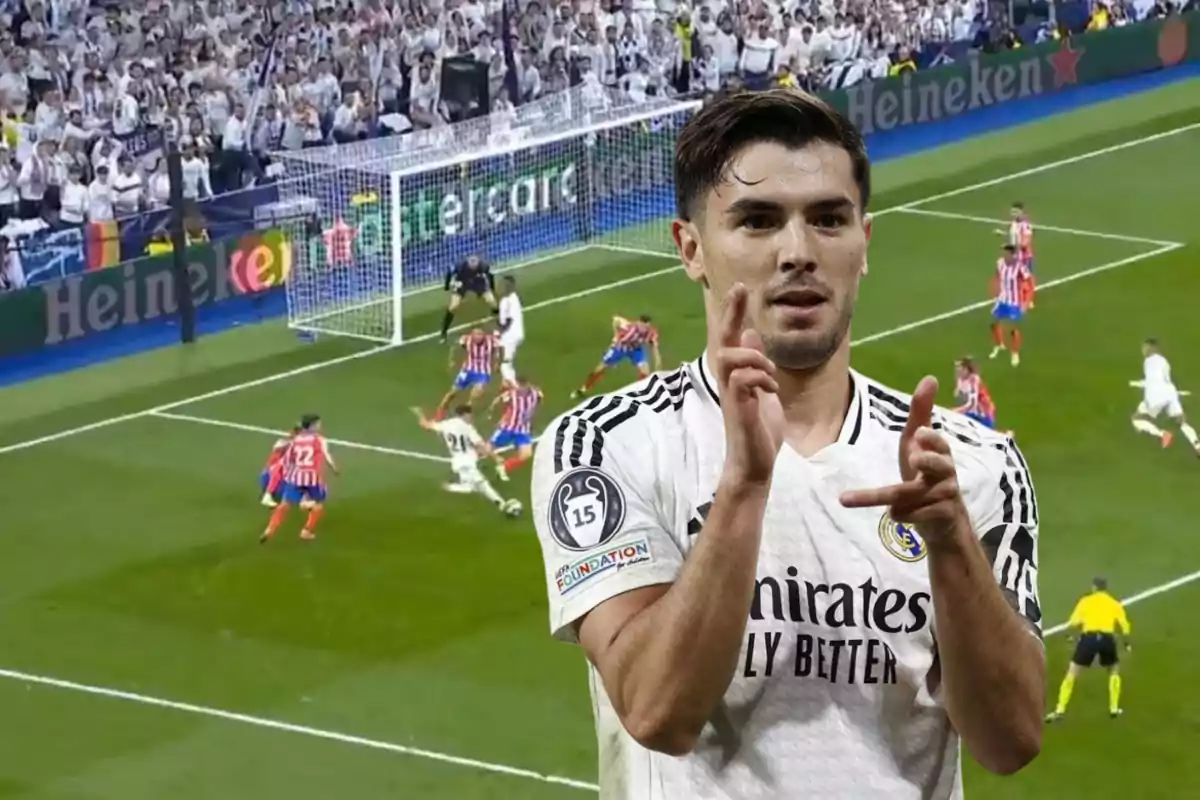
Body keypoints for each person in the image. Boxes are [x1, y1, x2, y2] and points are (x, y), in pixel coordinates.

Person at [531, 89, 1044, 799]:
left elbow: (1012, 740)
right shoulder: (607, 446)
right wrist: (744, 485)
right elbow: (658, 710)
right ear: (691, 249)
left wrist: (952, 543)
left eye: (828, 219)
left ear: (864, 243)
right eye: (758, 221)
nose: (797, 252)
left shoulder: (972, 466)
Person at [1046, 577, 1131, 722]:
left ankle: (1060, 709)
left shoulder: (1085, 601)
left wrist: (1068, 636)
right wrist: (1126, 643)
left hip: (1088, 639)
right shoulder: (1114, 603)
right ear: (1105, 588)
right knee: (1114, 670)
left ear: (1094, 587)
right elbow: (1125, 626)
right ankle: (1114, 708)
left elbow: (1073, 622)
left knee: (1072, 672)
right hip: (1107, 639)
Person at [411, 405, 516, 514]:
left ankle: (500, 503)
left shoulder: (447, 424)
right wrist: (496, 457)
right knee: (473, 486)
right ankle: (449, 487)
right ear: (465, 415)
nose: (471, 417)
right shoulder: (467, 428)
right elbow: (482, 446)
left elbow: (425, 425)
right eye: (470, 415)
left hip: (457, 460)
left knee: (481, 485)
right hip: (466, 462)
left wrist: (419, 414)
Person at [261, 414, 339, 543]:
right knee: (318, 506)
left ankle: (270, 529)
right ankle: (306, 530)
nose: (320, 426)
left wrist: (290, 475)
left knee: (284, 504)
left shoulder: (295, 440)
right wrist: (334, 468)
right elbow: (326, 456)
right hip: (312, 478)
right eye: (318, 424)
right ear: (313, 426)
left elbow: (287, 460)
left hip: (296, 477)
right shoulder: (319, 440)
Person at [1131, 338, 1200, 455]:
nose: (1143, 351)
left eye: (1145, 348)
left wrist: (1140, 386)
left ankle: (1162, 434)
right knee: (1181, 421)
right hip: (1170, 392)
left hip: (1156, 394)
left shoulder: (1148, 361)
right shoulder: (1164, 361)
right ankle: (1197, 445)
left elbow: (1152, 381)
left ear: (1152, 348)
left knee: (1137, 419)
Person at [569, 314, 662, 398]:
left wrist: (657, 359)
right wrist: (616, 335)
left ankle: (644, 394)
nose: (644, 328)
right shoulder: (628, 327)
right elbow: (616, 319)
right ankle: (583, 388)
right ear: (638, 322)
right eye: (642, 325)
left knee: (645, 372)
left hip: (636, 350)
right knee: (600, 368)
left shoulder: (651, 333)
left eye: (646, 326)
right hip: (620, 348)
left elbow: (653, 346)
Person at [440, 253, 499, 343]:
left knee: (492, 302)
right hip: (462, 282)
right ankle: (443, 332)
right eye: (471, 263)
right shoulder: (460, 266)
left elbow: (490, 276)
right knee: (453, 306)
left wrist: (492, 289)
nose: (474, 265)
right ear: (468, 262)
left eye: (475, 263)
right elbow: (449, 272)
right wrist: (446, 286)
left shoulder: (484, 265)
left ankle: (498, 320)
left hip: (478, 282)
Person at [989, 244, 1030, 367]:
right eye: (1004, 253)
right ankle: (999, 345)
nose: (1004, 255)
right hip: (1002, 299)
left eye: (1006, 253)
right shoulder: (1000, 263)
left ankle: (1015, 353)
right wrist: (994, 289)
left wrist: (1026, 302)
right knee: (993, 324)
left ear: (1012, 254)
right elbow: (997, 276)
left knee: (1013, 329)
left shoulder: (1020, 267)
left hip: (1014, 302)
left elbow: (1029, 282)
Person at [497, 275, 525, 386]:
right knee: (504, 362)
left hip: (510, 336)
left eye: (505, 284)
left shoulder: (507, 301)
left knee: (505, 365)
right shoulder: (514, 297)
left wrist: (500, 330)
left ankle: (515, 388)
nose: (503, 286)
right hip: (516, 334)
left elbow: (507, 321)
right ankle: (505, 385)